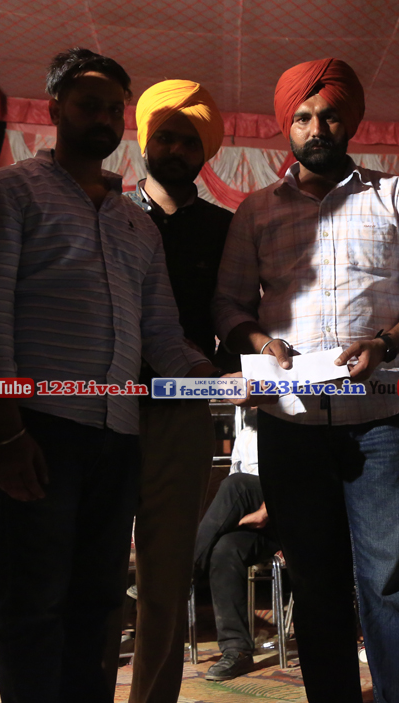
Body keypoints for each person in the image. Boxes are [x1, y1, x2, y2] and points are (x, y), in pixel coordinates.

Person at [0, 48, 217, 703]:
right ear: (55, 109)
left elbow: (162, 335)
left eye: (113, 108)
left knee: (98, 603)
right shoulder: (9, 191)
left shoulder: (135, 223)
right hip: (39, 431)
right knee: (34, 603)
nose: (103, 118)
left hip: (118, 438)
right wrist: (5, 432)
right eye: (89, 105)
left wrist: (219, 382)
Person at [213, 57, 399, 703]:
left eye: (327, 116)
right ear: (286, 127)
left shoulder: (395, 196)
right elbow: (229, 306)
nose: (316, 128)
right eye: (302, 118)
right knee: (316, 585)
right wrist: (261, 343)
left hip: (382, 425)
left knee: (394, 584)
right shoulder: (256, 211)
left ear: (349, 121)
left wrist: (385, 343)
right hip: (291, 430)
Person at [124, 80, 235, 702]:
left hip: (182, 412)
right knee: (91, 572)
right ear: (145, 140)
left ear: (205, 153)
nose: (175, 149)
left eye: (189, 141)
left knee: (165, 578)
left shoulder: (224, 228)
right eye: (164, 136)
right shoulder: (109, 213)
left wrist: (244, 369)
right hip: (101, 409)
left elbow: (234, 312)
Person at [191, 413, 282, 681]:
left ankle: (179, 576)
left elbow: (303, 479)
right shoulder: (246, 434)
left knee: (236, 485)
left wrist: (266, 510)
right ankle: (237, 650)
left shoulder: (295, 427)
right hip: (256, 526)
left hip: (290, 516)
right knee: (225, 549)